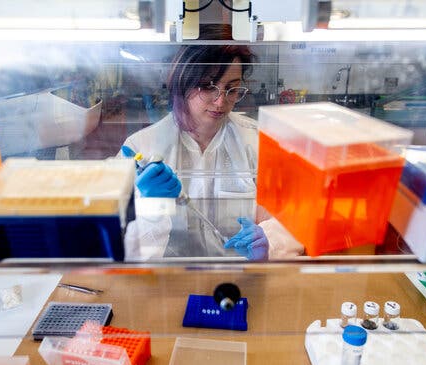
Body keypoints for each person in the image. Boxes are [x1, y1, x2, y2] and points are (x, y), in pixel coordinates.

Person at [121, 29, 304, 261]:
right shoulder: (141, 148)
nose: (220, 101)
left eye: (232, 89)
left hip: (241, 280)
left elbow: (295, 218)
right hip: (168, 283)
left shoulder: (259, 142)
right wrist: (149, 208)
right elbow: (124, 252)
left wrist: (270, 242)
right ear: (182, 82)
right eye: (208, 86)